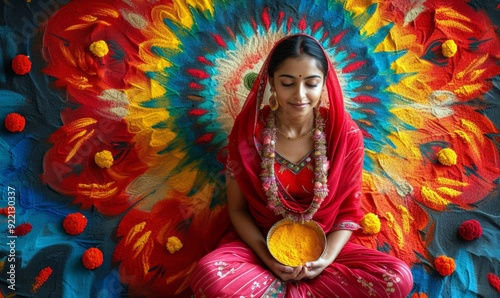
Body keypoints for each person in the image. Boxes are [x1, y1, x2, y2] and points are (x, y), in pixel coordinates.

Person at [189, 34, 413, 297]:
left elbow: (348, 214)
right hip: (259, 250)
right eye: (287, 83)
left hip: (327, 248)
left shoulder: (344, 135)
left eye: (311, 83)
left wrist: (324, 260)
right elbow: (238, 210)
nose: (299, 95)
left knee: (397, 279)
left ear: (324, 84)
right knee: (209, 276)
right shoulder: (249, 133)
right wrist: (268, 258)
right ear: (271, 81)